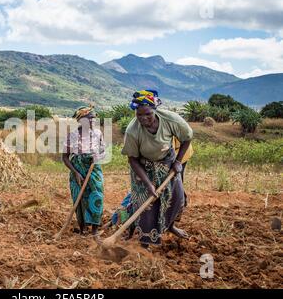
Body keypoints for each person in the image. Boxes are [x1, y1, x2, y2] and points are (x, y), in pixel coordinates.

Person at [120, 90, 193, 247]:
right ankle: (145, 240)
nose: (143, 118)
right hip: (142, 167)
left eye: (147, 114)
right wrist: (148, 184)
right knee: (145, 204)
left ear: (155, 110)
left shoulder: (171, 120)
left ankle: (170, 226)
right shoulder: (132, 131)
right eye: (139, 115)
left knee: (177, 199)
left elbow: (187, 138)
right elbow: (132, 159)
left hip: (167, 162)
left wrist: (178, 162)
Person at [62, 106, 106, 236]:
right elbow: (65, 157)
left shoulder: (98, 134)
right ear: (81, 121)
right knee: (79, 199)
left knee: (97, 196)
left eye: (93, 119)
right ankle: (82, 230)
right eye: (89, 119)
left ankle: (95, 230)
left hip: (94, 170)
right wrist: (75, 172)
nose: (92, 121)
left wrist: (98, 156)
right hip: (77, 170)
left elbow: (103, 151)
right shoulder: (72, 136)